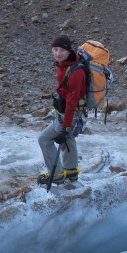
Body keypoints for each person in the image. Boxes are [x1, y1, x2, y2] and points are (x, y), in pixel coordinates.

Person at [38, 35, 86, 184]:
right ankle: (71, 172)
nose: (58, 53)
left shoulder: (76, 73)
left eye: (62, 50)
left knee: (45, 139)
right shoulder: (66, 64)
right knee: (69, 138)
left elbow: (71, 103)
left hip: (71, 113)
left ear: (69, 50)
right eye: (55, 49)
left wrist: (65, 127)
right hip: (73, 112)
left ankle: (56, 175)